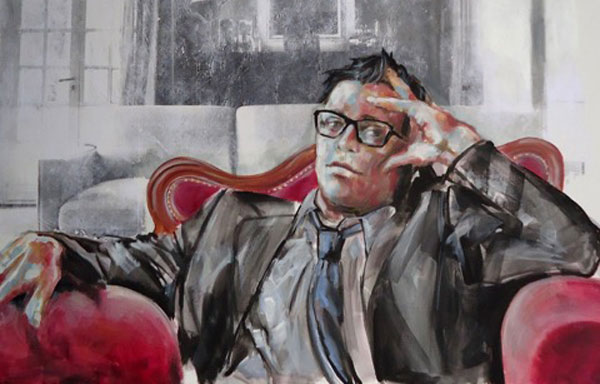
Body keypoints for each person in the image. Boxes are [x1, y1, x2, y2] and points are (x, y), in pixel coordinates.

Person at [0, 50, 599, 383]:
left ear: (410, 153)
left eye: (372, 131)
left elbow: (578, 248)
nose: (345, 144)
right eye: (334, 124)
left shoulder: (449, 225)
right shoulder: (234, 222)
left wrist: (462, 148)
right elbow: (135, 260)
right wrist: (56, 247)